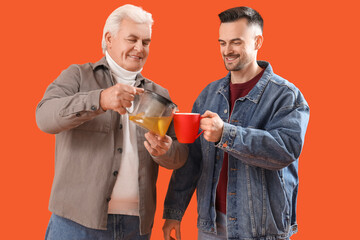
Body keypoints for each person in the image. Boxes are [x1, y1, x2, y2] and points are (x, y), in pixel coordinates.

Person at [36, 4, 188, 240]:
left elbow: (180, 155)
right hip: (75, 225)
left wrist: (165, 151)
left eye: (146, 42)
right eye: (132, 39)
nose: (139, 48)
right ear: (109, 39)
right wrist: (100, 99)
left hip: (135, 227)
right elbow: (44, 117)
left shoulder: (160, 94)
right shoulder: (77, 76)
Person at [162, 6, 310, 240]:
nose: (227, 51)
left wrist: (226, 135)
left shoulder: (286, 95)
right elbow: (192, 159)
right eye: (222, 43)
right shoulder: (208, 94)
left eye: (236, 42)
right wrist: (174, 212)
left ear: (257, 41)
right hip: (210, 227)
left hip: (261, 231)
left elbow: (286, 149)